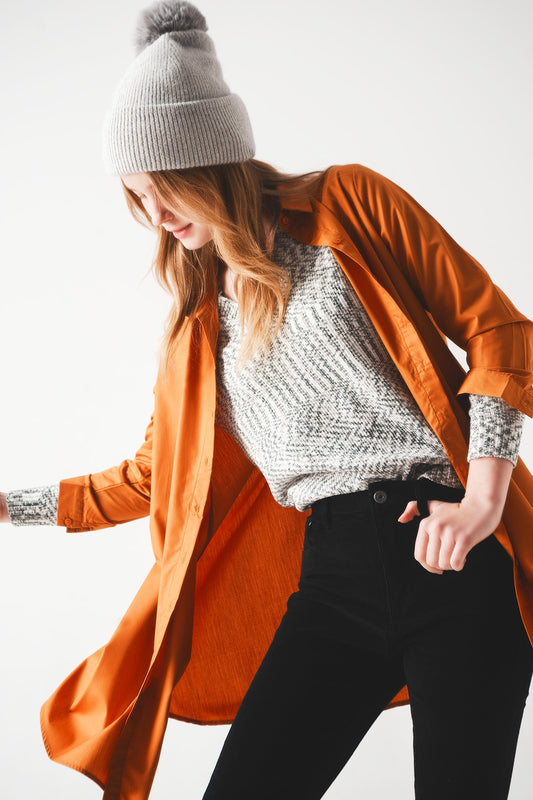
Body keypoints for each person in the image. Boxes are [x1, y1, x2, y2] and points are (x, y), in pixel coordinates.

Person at [1, 1, 533, 798]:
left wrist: (483, 501)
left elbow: (497, 332)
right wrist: (10, 507)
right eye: (137, 199)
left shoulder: (349, 203)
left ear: (211, 161)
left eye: (165, 190)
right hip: (333, 580)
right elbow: (149, 479)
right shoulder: (197, 327)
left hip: (453, 557)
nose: (155, 217)